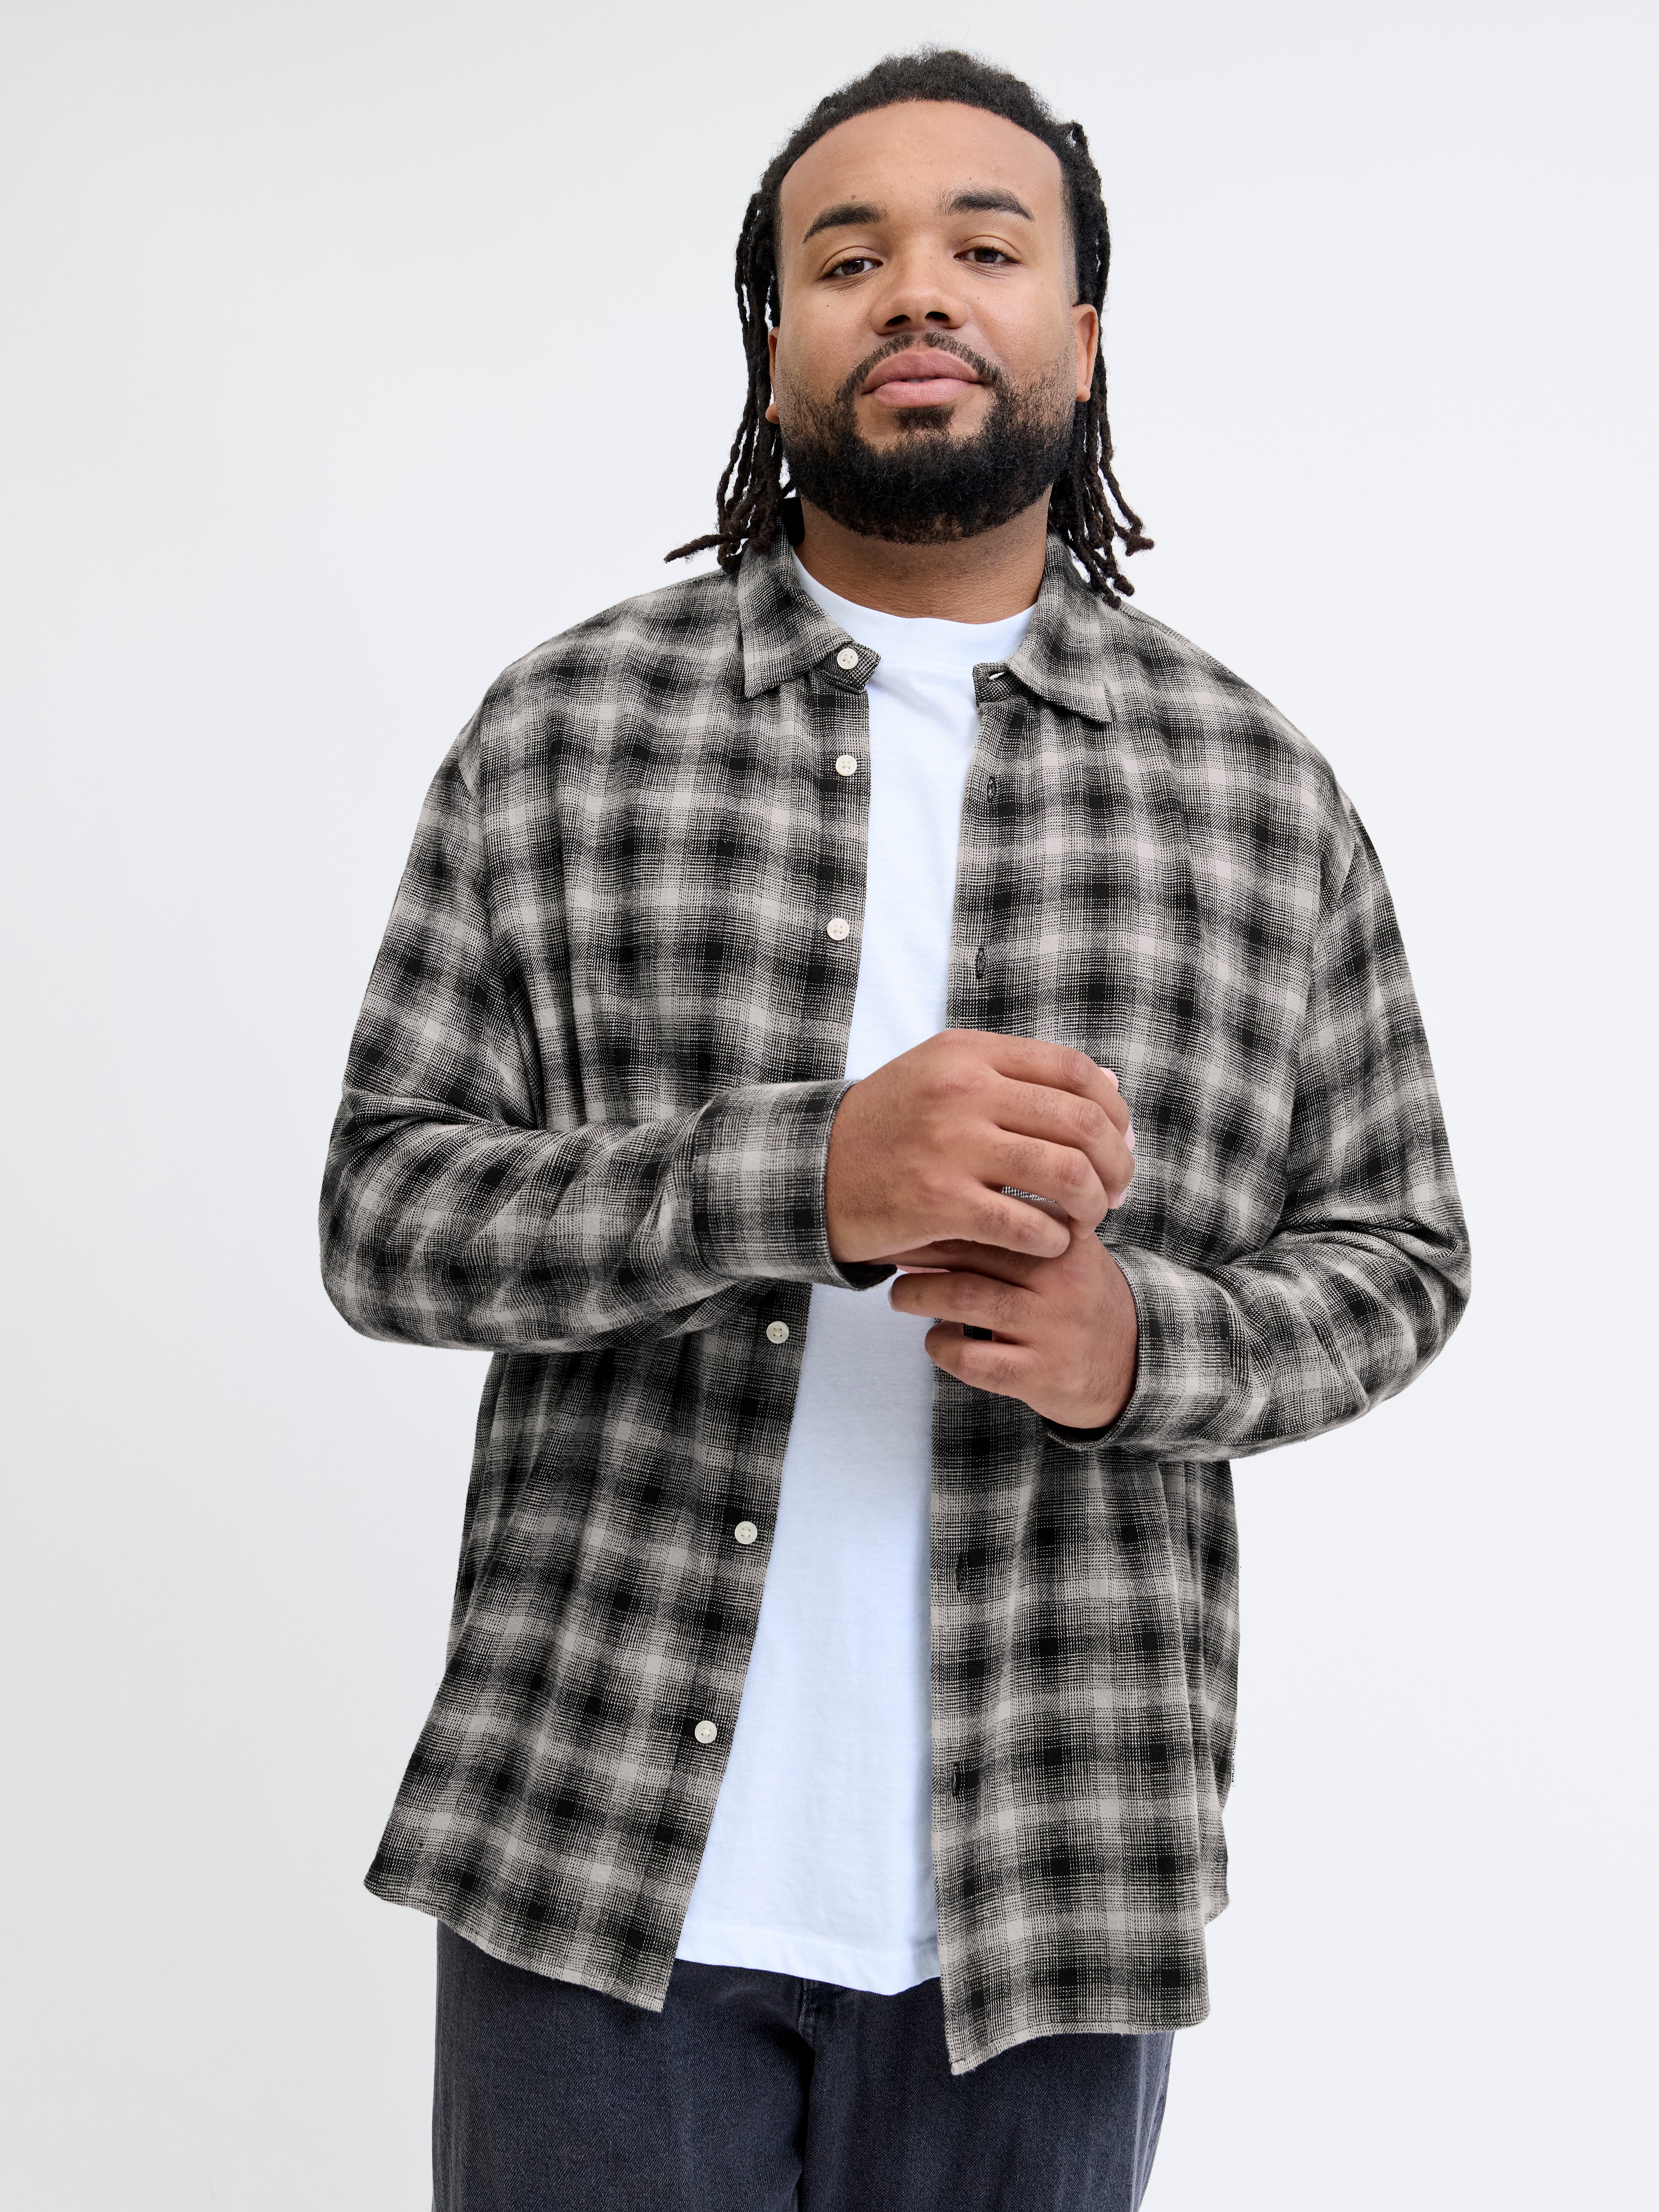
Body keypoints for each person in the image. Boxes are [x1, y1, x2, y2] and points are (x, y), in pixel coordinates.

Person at [320, 48, 1470, 2212]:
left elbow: (1400, 1256)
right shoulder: (563, 732)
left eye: (983, 246)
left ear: (1081, 338)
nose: (916, 290)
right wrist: (798, 1181)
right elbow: (385, 1214)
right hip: (592, 1856)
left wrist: (1141, 1349)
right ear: (776, 349)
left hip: (1052, 1879)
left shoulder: (1255, 790)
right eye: (844, 259)